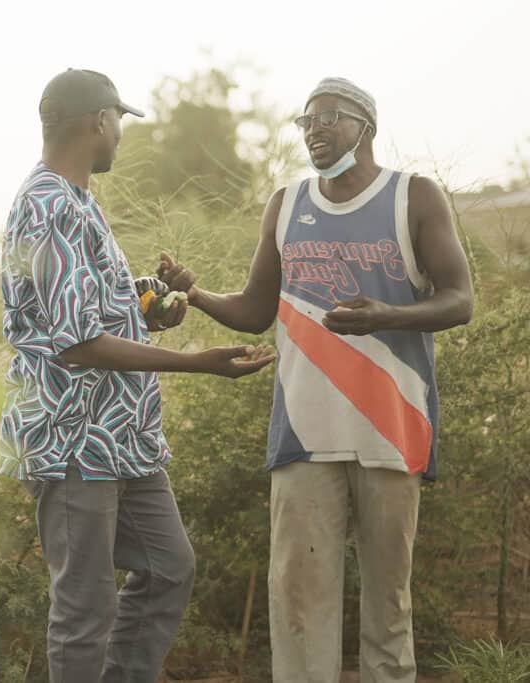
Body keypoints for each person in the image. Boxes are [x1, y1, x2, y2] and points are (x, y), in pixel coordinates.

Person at [158, 77, 474, 682]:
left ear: (367, 127)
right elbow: (256, 310)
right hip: (303, 434)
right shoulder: (286, 202)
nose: (315, 131)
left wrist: (388, 316)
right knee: (299, 605)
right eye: (306, 122)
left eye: (330, 118)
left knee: (389, 605)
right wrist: (193, 293)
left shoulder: (414, 197)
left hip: (392, 429)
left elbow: (460, 300)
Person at [0, 68, 276, 683]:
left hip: (121, 441)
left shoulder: (78, 202)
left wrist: (150, 305)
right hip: (74, 439)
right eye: (119, 121)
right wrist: (198, 364)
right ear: (99, 121)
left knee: (169, 567)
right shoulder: (48, 206)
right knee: (83, 606)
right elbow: (75, 343)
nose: (121, 135)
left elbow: (90, 311)